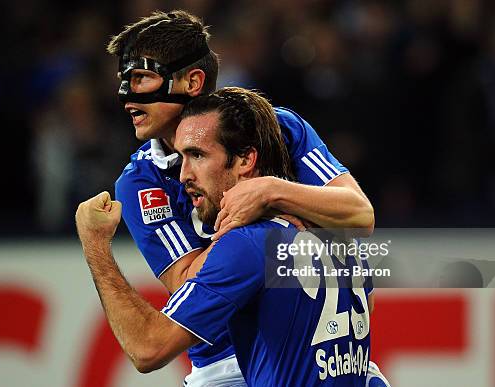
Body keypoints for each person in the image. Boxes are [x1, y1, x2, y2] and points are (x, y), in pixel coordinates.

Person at [107, 10, 383, 386]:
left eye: (141, 78)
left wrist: (271, 191)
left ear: (192, 81)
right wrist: (271, 227)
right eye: (125, 81)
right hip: (227, 364)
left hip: (318, 344)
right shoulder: (140, 182)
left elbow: (359, 215)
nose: (128, 98)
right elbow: (187, 284)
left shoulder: (278, 125)